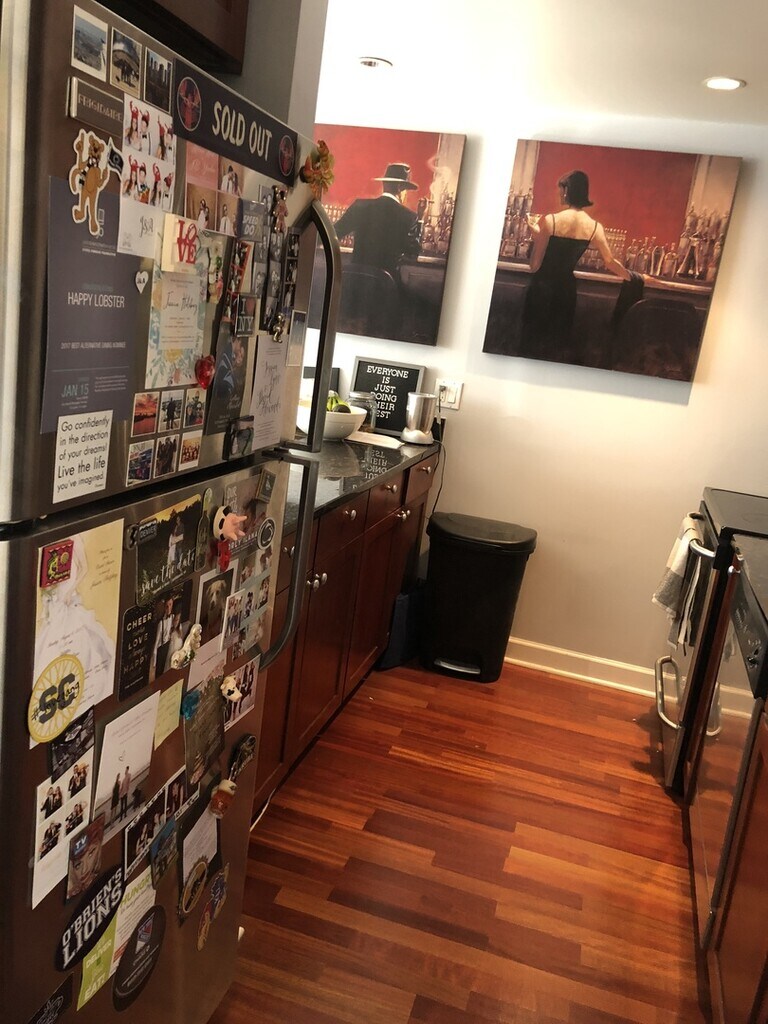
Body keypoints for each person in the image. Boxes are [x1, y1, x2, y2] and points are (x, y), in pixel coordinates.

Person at [520, 169, 636, 361]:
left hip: (542, 289)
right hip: (566, 291)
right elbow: (610, 262)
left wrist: (537, 236)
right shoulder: (595, 227)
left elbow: (534, 266)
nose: (559, 195)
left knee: (532, 345)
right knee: (556, 347)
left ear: (567, 191)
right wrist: (634, 277)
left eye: (561, 190)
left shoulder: (551, 221)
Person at [332, 162, 422, 275]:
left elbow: (333, 234)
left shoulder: (360, 206)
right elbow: (413, 254)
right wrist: (421, 219)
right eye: (406, 189)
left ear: (384, 184)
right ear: (400, 188)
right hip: (385, 282)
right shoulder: (409, 216)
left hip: (355, 278)